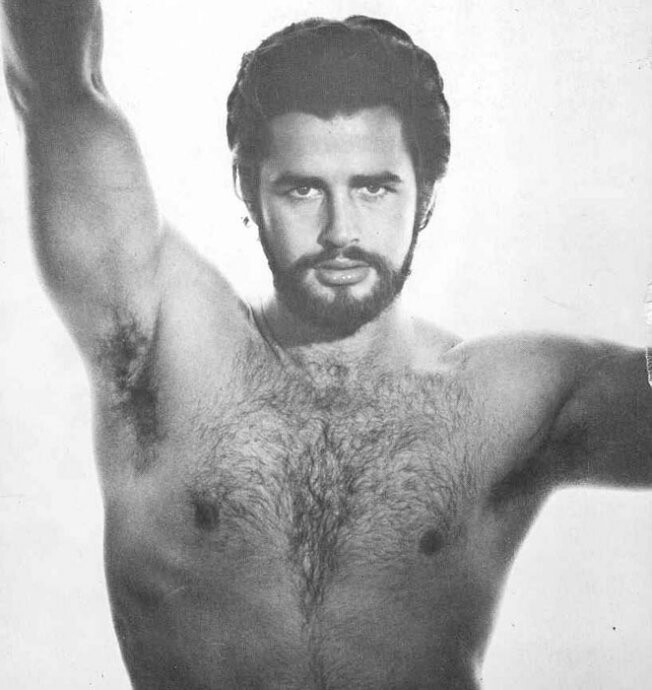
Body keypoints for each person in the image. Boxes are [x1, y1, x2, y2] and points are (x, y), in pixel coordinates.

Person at [1, 1, 651, 688]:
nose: (341, 230)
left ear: (426, 196)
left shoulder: (508, 404)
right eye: (304, 189)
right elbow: (59, 85)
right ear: (248, 190)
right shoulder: (164, 347)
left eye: (374, 188)